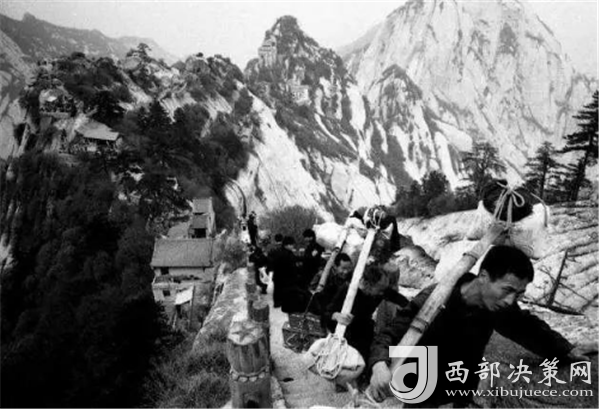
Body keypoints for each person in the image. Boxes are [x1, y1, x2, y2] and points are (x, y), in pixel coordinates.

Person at [368, 245, 593, 407]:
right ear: (484, 276)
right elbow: (389, 335)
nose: (510, 300)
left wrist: (566, 349)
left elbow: (528, 328)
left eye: (518, 294)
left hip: (460, 388)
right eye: (507, 290)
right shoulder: (435, 299)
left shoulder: (497, 306)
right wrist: (379, 365)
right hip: (422, 383)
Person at [324, 265, 409, 366]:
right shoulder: (347, 290)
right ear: (367, 284)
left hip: (364, 330)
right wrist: (336, 315)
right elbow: (326, 314)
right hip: (346, 334)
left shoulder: (380, 290)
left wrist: (412, 308)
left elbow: (399, 299)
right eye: (380, 290)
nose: (382, 293)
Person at [270, 236, 298, 308]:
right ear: (286, 245)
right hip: (283, 276)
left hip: (279, 276)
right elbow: (290, 266)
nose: (293, 246)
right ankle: (280, 303)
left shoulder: (282, 251)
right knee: (281, 290)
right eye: (291, 245)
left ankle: (278, 303)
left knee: (278, 290)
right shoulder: (285, 254)